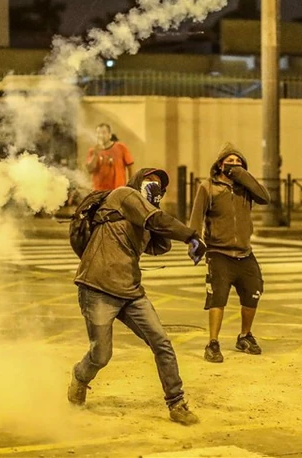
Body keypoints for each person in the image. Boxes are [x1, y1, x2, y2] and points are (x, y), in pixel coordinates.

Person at [69, 167, 207, 426]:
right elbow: (157, 222)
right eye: (149, 181)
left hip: (131, 292)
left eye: (158, 186)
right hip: (97, 287)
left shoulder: (143, 217)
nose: (153, 186)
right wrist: (189, 235)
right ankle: (79, 376)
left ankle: (176, 403)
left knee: (162, 342)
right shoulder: (123, 195)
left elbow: (160, 244)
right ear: (137, 182)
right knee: (101, 355)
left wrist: (153, 212)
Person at [188, 143, 270, 364]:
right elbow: (196, 217)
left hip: (245, 253)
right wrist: (194, 241)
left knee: (253, 293)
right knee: (217, 298)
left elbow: (265, 197)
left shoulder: (246, 189)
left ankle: (244, 336)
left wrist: (245, 176)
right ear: (220, 165)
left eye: (238, 163)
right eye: (229, 162)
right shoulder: (208, 187)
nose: (234, 166)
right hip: (219, 253)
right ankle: (213, 342)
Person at [86, 123, 134, 191]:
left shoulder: (121, 148)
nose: (101, 135)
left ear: (110, 135)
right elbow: (90, 170)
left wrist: (131, 185)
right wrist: (95, 154)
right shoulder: (92, 151)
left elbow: (130, 167)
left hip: (117, 191)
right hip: (98, 192)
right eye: (98, 133)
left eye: (103, 133)